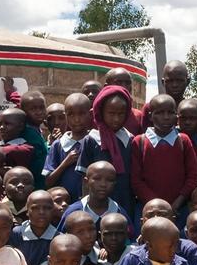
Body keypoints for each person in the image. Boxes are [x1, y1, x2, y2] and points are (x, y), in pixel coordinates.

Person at [130, 95, 197, 220]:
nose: (166, 117)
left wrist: (177, 203)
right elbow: (136, 180)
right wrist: (157, 206)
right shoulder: (139, 141)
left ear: (176, 116)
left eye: (170, 113)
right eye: (160, 113)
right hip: (149, 209)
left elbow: (192, 176)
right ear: (150, 116)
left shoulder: (183, 140)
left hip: (179, 210)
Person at [78, 85, 136, 219]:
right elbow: (83, 177)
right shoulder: (92, 139)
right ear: (101, 111)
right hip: (95, 204)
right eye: (111, 113)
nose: (116, 119)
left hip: (124, 199)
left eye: (121, 114)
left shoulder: (130, 139)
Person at [43, 92, 97, 203]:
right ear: (66, 116)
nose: (76, 119)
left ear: (90, 114)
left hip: (91, 204)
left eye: (81, 114)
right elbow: (48, 181)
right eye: (71, 115)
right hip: (64, 205)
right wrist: (65, 163)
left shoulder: (96, 141)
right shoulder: (58, 145)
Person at [59, 160, 125, 232]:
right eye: (97, 179)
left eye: (109, 180)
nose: (103, 184)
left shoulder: (119, 212)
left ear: (114, 184)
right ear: (86, 182)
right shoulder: (72, 212)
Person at [10, 190, 58, 265]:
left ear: (53, 211)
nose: (41, 212)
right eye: (35, 208)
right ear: (27, 211)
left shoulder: (57, 238)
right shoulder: (16, 234)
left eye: (47, 208)